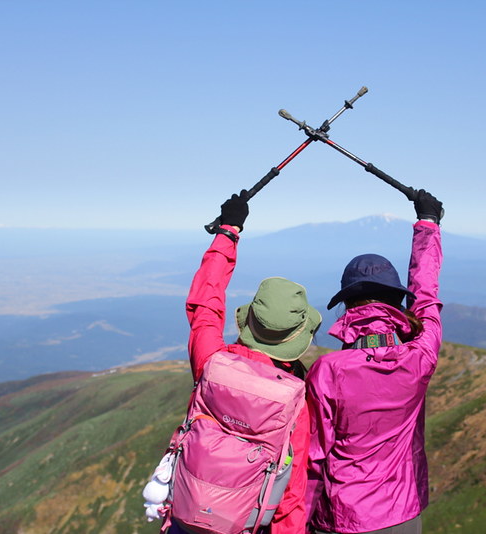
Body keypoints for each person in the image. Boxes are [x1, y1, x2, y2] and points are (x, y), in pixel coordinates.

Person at [180, 190, 321, 534]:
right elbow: (291, 492)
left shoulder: (212, 363)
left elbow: (205, 304)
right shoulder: (293, 402)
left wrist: (228, 231)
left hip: (186, 520)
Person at [305, 189, 444, 534]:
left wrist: (296, 520)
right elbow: (426, 298)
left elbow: (313, 457)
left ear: (348, 306)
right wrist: (428, 225)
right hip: (404, 514)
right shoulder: (419, 357)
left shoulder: (329, 371)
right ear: (397, 301)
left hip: (343, 517)